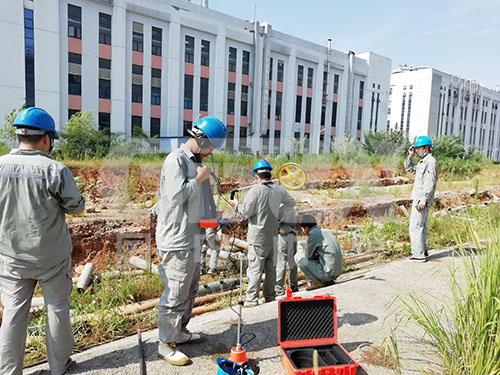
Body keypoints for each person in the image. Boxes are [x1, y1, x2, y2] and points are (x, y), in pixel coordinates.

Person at [0, 107, 85, 375]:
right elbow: (76, 207)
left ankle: (9, 371)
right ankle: (60, 367)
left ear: (18, 136)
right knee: (57, 309)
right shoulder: (55, 169)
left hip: (12, 256)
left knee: (13, 312)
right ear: (46, 138)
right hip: (51, 257)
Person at [155, 116, 227, 366]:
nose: (211, 152)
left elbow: (203, 202)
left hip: (194, 238)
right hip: (177, 240)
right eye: (211, 146)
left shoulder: (197, 163)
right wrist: (199, 178)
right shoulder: (176, 160)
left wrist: (212, 226)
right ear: (200, 139)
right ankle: (166, 343)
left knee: (190, 290)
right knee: (175, 292)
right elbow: (175, 196)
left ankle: (180, 332)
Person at [230, 159, 296, 307]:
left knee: (255, 268)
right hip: (273, 235)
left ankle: (252, 299)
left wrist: (236, 205)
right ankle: (270, 296)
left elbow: (246, 211)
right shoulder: (279, 190)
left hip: (257, 237)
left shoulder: (255, 190)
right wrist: (278, 215)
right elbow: (291, 203)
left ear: (256, 176)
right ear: (269, 174)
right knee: (271, 268)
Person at [404, 135, 438, 261]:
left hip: (421, 199)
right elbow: (408, 168)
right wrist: (410, 155)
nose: (417, 150)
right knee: (421, 225)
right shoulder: (422, 162)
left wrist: (423, 199)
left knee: (415, 226)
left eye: (419, 148)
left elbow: (430, 182)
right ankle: (423, 251)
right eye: (416, 149)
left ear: (427, 148)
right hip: (419, 197)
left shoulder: (430, 162)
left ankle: (418, 255)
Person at [295, 215, 343, 291]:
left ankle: (315, 282)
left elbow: (308, 256)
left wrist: (314, 254)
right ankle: (327, 280)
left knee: (298, 257)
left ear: (306, 228)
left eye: (302, 229)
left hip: (328, 273)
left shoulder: (313, 234)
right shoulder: (325, 230)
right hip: (337, 271)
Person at [275, 203, 298, 296]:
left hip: (283, 235)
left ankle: (279, 288)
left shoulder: (278, 206)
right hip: (292, 235)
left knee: (281, 262)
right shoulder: (290, 206)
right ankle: (294, 285)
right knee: (292, 260)